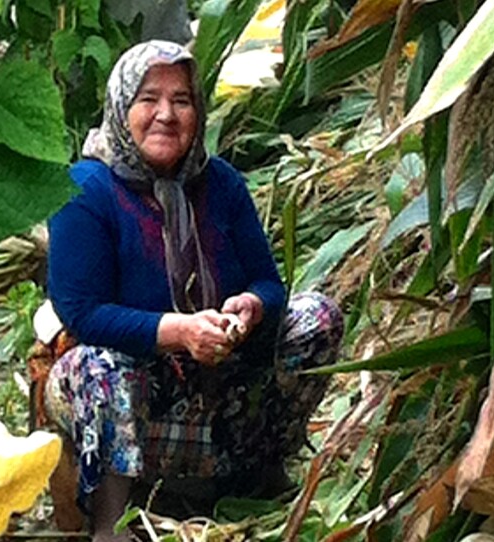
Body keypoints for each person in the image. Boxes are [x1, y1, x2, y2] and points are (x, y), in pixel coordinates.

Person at [42, 40, 344, 542]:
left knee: (318, 319)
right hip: (136, 380)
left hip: (220, 374)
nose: (166, 114)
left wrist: (250, 309)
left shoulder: (219, 181)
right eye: (148, 99)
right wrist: (178, 331)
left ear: (198, 110)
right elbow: (81, 311)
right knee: (97, 367)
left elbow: (269, 283)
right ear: (122, 107)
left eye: (181, 100)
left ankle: (260, 474)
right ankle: (110, 520)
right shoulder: (87, 189)